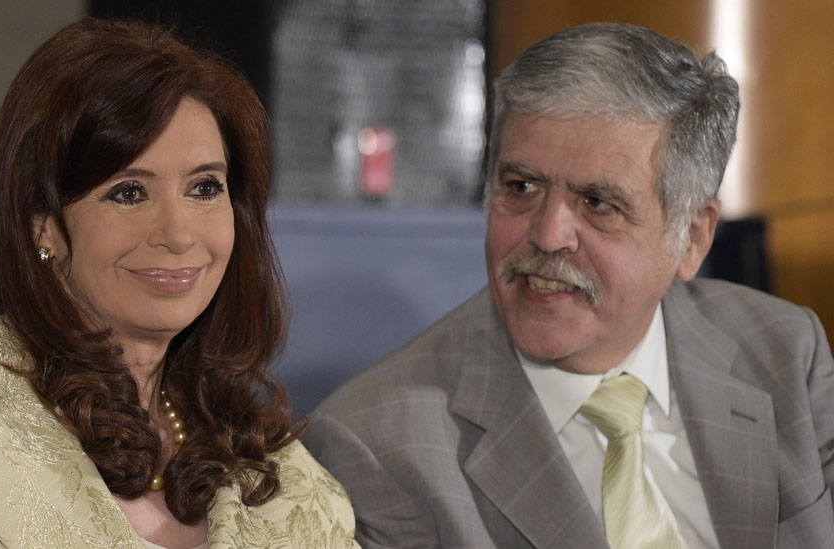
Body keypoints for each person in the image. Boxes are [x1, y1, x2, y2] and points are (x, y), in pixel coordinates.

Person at [303, 22, 834, 548]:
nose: (548, 234)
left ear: (692, 238)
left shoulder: (784, 351)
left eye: (599, 203)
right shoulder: (375, 446)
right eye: (522, 186)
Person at [0, 18, 358, 548]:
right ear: (44, 224)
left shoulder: (270, 462)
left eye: (204, 187)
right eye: (128, 193)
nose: (178, 233)